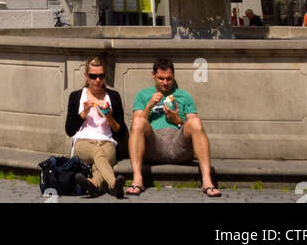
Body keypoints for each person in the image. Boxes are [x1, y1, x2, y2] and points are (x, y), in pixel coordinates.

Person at [127, 56, 221, 197]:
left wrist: (177, 120)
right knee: (138, 121)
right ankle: (137, 180)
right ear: (153, 75)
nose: (165, 83)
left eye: (169, 79)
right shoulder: (143, 95)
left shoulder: (184, 96)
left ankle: (207, 181)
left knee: (195, 121)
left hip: (179, 144)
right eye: (161, 78)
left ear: (173, 76)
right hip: (155, 144)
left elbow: (194, 126)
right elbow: (136, 125)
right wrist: (149, 106)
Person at [64, 57, 128, 198]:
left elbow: (121, 131)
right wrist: (83, 113)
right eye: (93, 76)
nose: (97, 80)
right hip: (83, 142)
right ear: (86, 76)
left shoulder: (113, 96)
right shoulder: (76, 96)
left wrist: (109, 116)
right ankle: (113, 184)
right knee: (98, 153)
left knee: (99, 161)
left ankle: (94, 184)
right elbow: (69, 130)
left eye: (101, 76)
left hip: (107, 142)